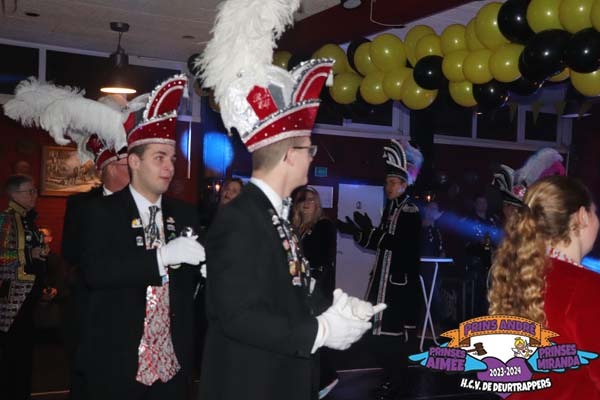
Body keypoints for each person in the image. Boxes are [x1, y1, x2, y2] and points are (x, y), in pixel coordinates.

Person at [198, 1, 384, 399]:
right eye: (308, 148)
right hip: (252, 385)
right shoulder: (240, 219)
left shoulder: (274, 214)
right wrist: (320, 331)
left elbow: (291, 286)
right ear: (288, 155)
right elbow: (236, 316)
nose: (312, 157)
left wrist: (336, 307)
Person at [76, 74, 205, 400]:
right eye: (159, 158)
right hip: (119, 364)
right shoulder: (102, 212)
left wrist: (209, 269)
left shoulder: (185, 213)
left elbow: (190, 288)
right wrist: (160, 258)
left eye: (172, 158)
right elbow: (96, 273)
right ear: (134, 161)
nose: (170, 167)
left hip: (172, 366)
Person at [488, 175, 600, 399]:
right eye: (594, 212)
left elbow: (501, 379)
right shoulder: (585, 287)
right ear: (582, 217)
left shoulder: (517, 276)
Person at [338, 138, 423, 400]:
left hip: (397, 288)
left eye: (392, 182)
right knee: (379, 338)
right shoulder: (392, 209)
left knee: (391, 339)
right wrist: (359, 233)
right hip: (383, 284)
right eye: (387, 182)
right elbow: (382, 245)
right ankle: (391, 380)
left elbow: (401, 246)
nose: (388, 186)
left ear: (404, 184)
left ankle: (398, 384)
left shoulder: (409, 210)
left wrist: (372, 232)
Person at [0, 174, 55, 400]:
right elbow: (3, 258)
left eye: (34, 191)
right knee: (11, 356)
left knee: (24, 356)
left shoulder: (29, 221)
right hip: (11, 300)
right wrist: (29, 254)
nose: (35, 195)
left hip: (29, 298)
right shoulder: (6, 219)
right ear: (14, 194)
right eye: (29, 191)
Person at [292, 186, 338, 398]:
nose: (307, 203)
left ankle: (325, 379)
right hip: (298, 288)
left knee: (316, 336)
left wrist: (312, 280)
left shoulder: (323, 225)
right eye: (303, 199)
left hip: (316, 289)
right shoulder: (295, 227)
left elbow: (324, 258)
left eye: (311, 199)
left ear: (317, 203)